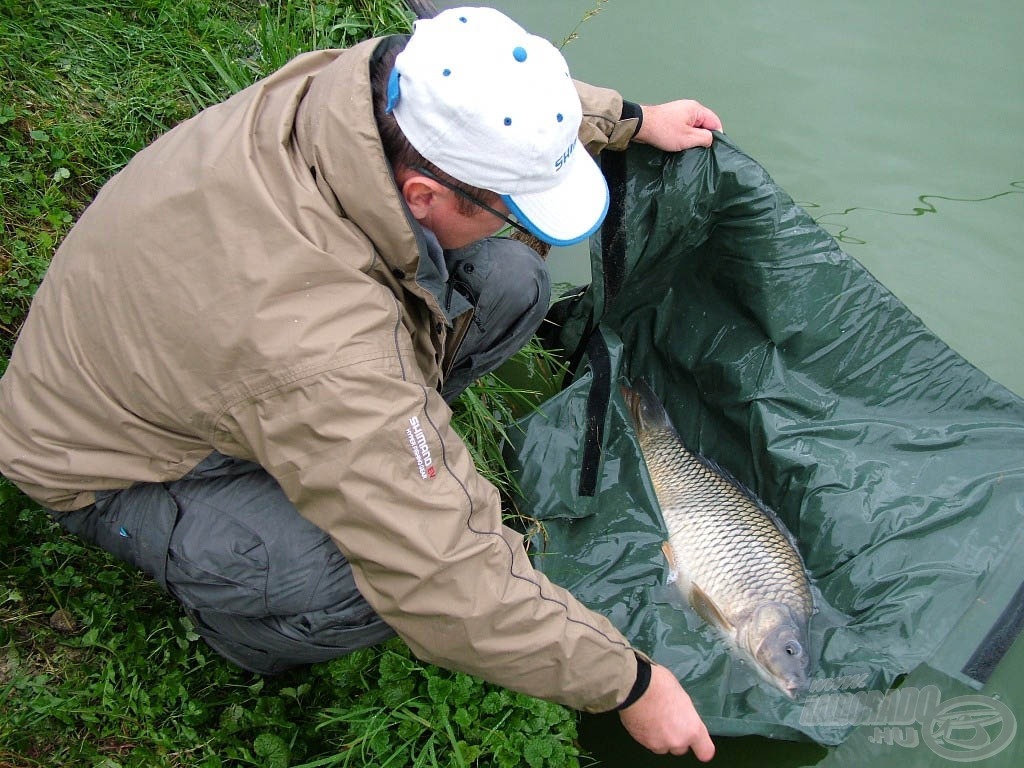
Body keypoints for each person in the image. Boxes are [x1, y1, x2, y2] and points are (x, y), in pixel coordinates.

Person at [0, 6, 721, 759]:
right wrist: (632, 684)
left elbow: (493, 94)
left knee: (512, 281)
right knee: (367, 584)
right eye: (509, 209)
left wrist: (630, 120)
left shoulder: (363, 87)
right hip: (110, 464)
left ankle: (365, 463)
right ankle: (245, 635)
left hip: (202, 353)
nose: (518, 224)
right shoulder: (326, 348)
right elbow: (444, 580)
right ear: (423, 197)